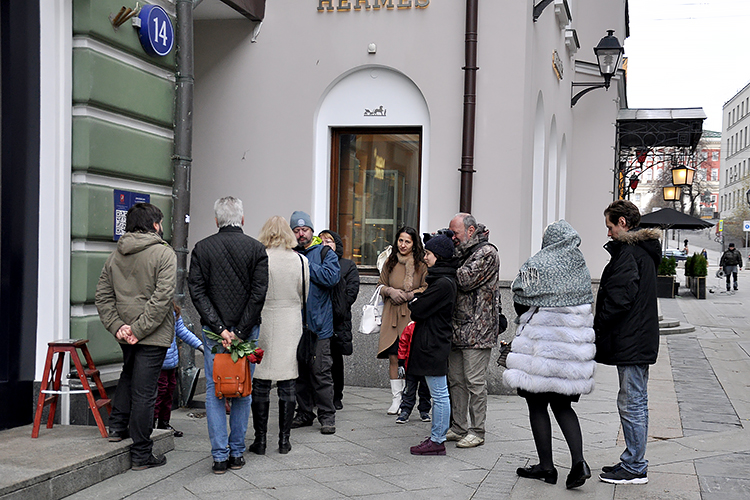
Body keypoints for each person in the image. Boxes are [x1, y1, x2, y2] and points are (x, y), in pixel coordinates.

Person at [503, 220, 596, 489]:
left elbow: (520, 294)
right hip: (570, 353)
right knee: (563, 406)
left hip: (541, 351)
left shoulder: (539, 262)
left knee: (537, 405)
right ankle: (579, 462)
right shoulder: (579, 266)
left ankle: (547, 467)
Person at [188, 196, 269, 474]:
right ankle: (236, 453)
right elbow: (258, 294)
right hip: (246, 331)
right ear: (242, 219)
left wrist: (220, 329)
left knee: (215, 390)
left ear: (216, 220)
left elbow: (197, 292)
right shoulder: (257, 249)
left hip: (214, 332)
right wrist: (239, 332)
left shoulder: (202, 248)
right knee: (242, 388)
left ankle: (219, 456)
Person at [95, 203, 176, 471]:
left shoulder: (114, 256)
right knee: (145, 391)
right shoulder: (164, 254)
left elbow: (103, 297)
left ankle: (117, 427)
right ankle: (142, 453)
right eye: (160, 223)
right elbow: (162, 299)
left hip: (125, 333)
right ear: (155, 225)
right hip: (151, 334)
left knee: (128, 376)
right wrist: (139, 329)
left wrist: (119, 326)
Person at [595, 200, 661, 485]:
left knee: (632, 402)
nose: (608, 233)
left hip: (632, 339)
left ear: (623, 222)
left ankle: (634, 466)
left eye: (610, 226)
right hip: (638, 337)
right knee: (637, 401)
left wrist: (597, 327)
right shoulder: (641, 252)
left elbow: (619, 299)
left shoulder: (629, 254)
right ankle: (633, 460)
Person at [250, 216, 310, 455]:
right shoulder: (301, 261)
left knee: (261, 383)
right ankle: (284, 441)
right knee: (288, 382)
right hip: (290, 322)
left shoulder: (259, 258)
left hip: (264, 320)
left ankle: (261, 440)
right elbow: (304, 295)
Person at [446, 213, 501, 448]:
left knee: (474, 382)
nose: (452, 238)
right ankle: (459, 427)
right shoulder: (462, 252)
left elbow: (465, 280)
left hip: (478, 330)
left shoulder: (487, 253)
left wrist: (444, 261)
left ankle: (477, 431)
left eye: (455, 233)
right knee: (456, 380)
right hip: (458, 327)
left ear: (470, 231)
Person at [289, 211, 341, 434]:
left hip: (320, 326)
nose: (301, 234)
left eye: (305, 230)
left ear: (312, 230)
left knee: (321, 373)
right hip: (295, 325)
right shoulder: (288, 254)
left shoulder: (324, 253)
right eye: (297, 231)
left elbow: (332, 277)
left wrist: (305, 265)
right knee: (299, 373)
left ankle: (327, 416)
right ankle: (304, 413)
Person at [407, 232, 458, 455]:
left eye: (427, 253)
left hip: (434, 343)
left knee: (439, 394)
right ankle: (436, 437)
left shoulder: (443, 284)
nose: (424, 257)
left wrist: (417, 300)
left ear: (438, 256)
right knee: (439, 392)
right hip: (432, 341)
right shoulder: (440, 281)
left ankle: (437, 440)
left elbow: (416, 309)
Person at [377, 227, 428, 414]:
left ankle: (412, 399)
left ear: (414, 243)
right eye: (400, 240)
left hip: (411, 314)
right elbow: (380, 285)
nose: (403, 245)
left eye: (407, 241)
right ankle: (396, 399)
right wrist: (390, 291)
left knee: (411, 358)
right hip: (391, 313)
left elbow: (426, 287)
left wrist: (410, 294)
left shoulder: (421, 264)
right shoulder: (389, 261)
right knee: (393, 356)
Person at [319, 230, 360, 410]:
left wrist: (337, 308)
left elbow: (352, 292)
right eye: (322, 241)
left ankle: (337, 396)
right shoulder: (314, 263)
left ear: (337, 244)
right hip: (318, 319)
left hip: (338, 320)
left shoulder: (347, 265)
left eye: (330, 241)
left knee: (335, 359)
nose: (326, 244)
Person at [154, 303, 204, 438]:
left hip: (171, 363)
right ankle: (151, 426)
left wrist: (200, 346)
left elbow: (182, 330)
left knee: (169, 392)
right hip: (158, 363)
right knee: (159, 394)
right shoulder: (154, 310)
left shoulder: (172, 310)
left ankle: (164, 423)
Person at [396, 322, 432, 424]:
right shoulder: (410, 327)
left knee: (425, 390)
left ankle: (424, 410)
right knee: (409, 390)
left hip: (425, 366)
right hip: (411, 365)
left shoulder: (430, 327)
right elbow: (403, 344)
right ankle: (405, 410)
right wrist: (401, 362)